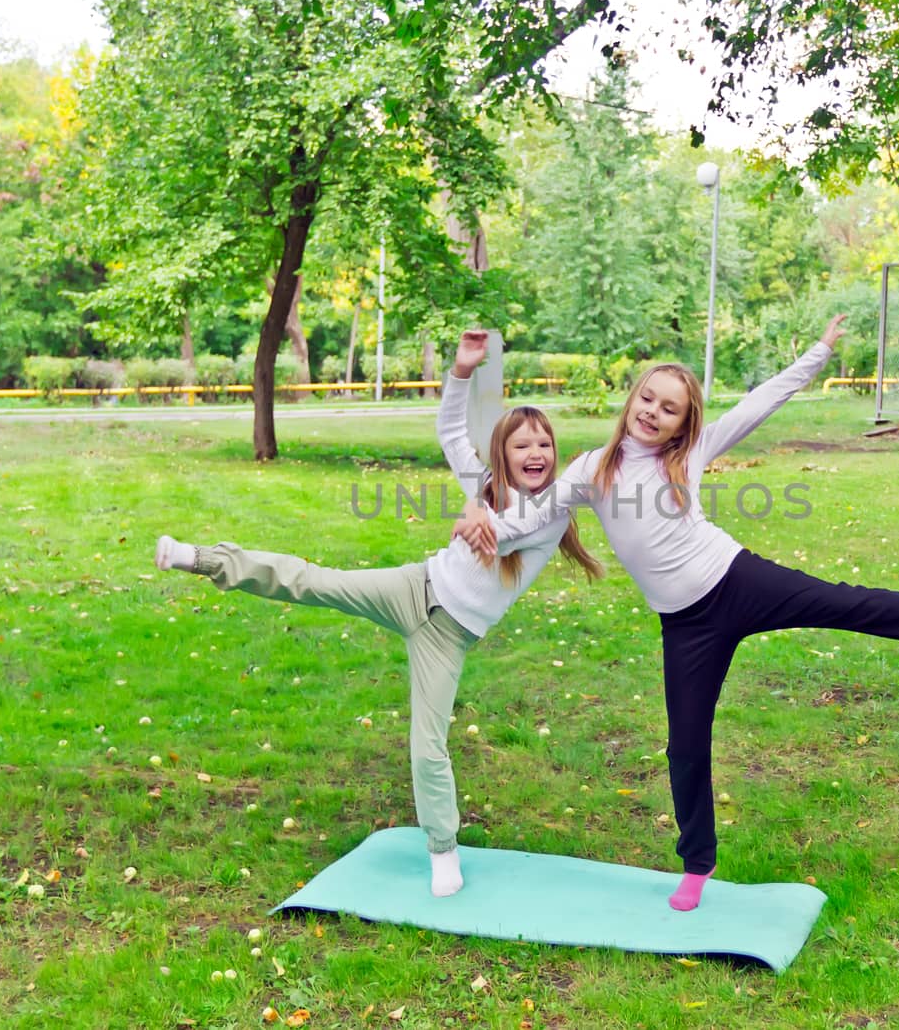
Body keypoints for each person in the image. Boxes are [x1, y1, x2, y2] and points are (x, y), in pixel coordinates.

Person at [454, 315, 899, 911]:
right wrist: (485, 521)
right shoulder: (591, 469)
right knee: (685, 744)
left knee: (850, 603)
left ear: (685, 423)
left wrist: (818, 351)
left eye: (670, 408)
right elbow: (528, 515)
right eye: (648, 398)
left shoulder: (689, 454)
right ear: (633, 401)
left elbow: (761, 402)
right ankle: (697, 864)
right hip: (686, 626)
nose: (653, 411)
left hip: (737, 580)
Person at [156, 330, 602, 898]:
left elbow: (512, 535)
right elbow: (448, 430)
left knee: (428, 743)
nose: (536, 453)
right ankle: (201, 559)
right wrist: (461, 372)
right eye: (522, 445)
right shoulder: (485, 484)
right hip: (414, 587)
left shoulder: (551, 514)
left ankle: (443, 850)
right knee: (313, 581)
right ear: (503, 455)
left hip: (449, 636)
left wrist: (480, 519)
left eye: (544, 444)